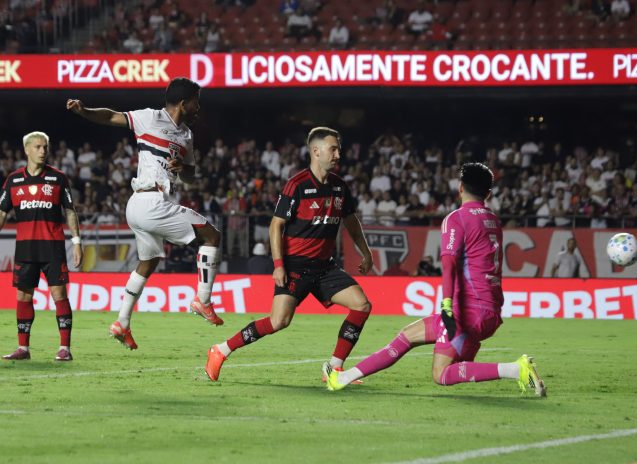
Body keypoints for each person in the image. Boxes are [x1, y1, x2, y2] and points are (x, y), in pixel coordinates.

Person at [323, 163, 546, 396]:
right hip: (488, 309)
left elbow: (449, 265)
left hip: (466, 311)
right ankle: (342, 378)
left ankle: (516, 369)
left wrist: (447, 305)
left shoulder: (457, 218)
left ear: (460, 188)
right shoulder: (493, 220)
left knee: (442, 374)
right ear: (488, 193)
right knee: (408, 336)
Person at [66, 77, 224, 351]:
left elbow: (189, 176)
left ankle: (122, 322)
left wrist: (182, 168)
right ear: (183, 103)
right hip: (150, 202)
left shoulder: (186, 135)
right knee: (212, 236)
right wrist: (84, 111)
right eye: (196, 102)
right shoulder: (149, 118)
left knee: (148, 263)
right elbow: (111, 116)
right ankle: (203, 300)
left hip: (141, 206)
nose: (198, 107)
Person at [205, 127, 374, 382]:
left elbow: (351, 222)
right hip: (295, 265)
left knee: (361, 305)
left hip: (325, 267)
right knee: (278, 321)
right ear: (316, 151)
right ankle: (221, 350)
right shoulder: (297, 185)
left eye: (339, 149)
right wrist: (278, 264)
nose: (338, 154)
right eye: (333, 149)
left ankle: (334, 368)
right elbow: (276, 225)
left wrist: (366, 252)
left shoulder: (340, 187)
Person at [0, 131, 83, 361]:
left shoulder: (58, 178)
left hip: (52, 247)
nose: (43, 151)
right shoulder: (13, 180)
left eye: (45, 147)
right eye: (38, 147)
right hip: (25, 248)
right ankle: (23, 348)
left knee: (59, 294)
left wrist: (77, 242)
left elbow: (70, 211)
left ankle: (64, 348)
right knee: (23, 297)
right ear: (26, 150)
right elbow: (2, 213)